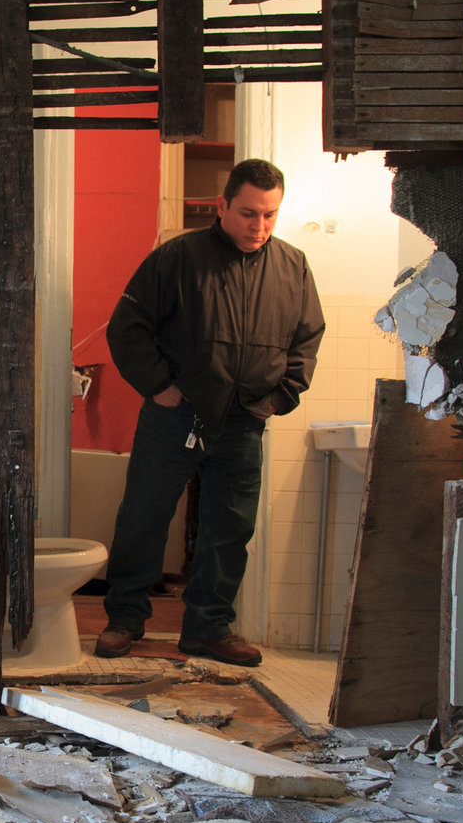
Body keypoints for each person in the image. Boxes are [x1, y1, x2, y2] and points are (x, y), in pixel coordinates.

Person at [95, 158, 324, 667]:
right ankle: (125, 620)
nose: (258, 227)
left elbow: (307, 338)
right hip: (176, 414)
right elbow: (126, 326)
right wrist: (159, 387)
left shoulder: (293, 266)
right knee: (144, 516)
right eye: (247, 213)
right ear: (221, 206)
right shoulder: (177, 257)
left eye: (269, 216)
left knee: (230, 527)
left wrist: (280, 397)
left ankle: (208, 629)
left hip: (244, 420)